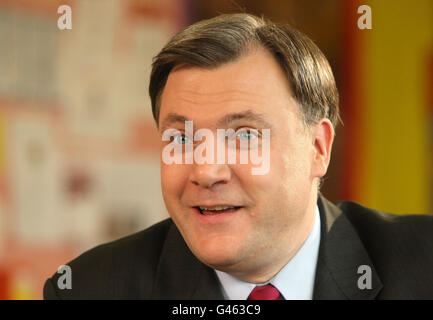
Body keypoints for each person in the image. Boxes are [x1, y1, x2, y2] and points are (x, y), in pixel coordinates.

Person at [43, 13, 433, 300]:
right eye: (180, 138)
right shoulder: (89, 289)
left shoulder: (423, 266)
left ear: (318, 148)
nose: (206, 171)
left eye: (244, 135)